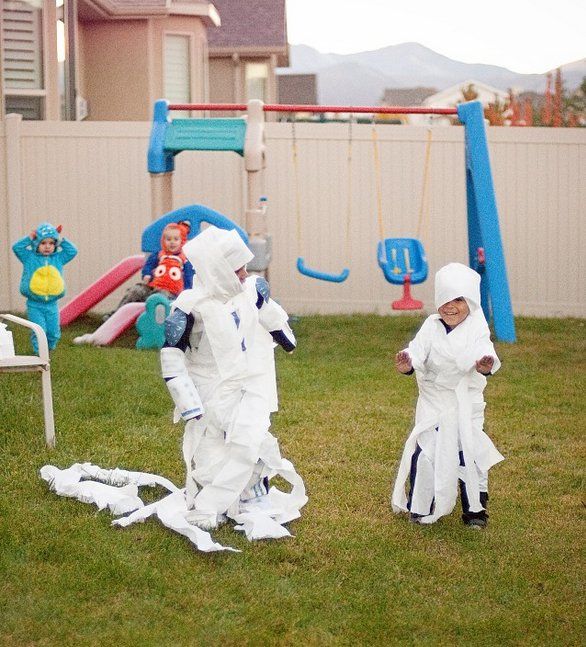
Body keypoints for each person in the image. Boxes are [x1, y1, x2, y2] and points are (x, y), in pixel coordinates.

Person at [160, 225, 305, 533]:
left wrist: (285, 338)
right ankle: (211, 502)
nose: (243, 274)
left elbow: (271, 316)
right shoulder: (190, 305)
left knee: (251, 440)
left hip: (246, 382)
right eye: (236, 269)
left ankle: (250, 495)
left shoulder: (251, 290)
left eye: (243, 269)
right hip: (208, 386)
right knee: (211, 445)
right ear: (217, 269)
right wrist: (187, 401)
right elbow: (171, 356)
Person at [391, 262, 504, 528]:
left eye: (458, 300)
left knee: (469, 454)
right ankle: (421, 505)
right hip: (433, 402)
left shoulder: (477, 327)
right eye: (444, 300)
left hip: (465, 404)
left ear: (471, 302)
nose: (450, 307)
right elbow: (417, 351)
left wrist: (484, 365)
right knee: (426, 451)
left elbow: (484, 352)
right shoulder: (431, 325)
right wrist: (409, 363)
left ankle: (475, 510)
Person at [12, 222, 78, 353]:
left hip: (52, 304)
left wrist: (61, 240)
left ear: (55, 245)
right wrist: (29, 238)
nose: (47, 246)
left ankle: (50, 349)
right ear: (36, 243)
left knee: (54, 332)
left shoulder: (58, 258)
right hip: (35, 304)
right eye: (43, 243)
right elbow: (17, 248)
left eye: (51, 243)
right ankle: (40, 354)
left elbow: (73, 251)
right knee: (39, 330)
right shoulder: (29, 257)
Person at [107, 221, 194, 315]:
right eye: (168, 239)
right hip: (153, 287)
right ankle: (116, 314)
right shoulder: (159, 255)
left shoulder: (184, 260)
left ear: (182, 241)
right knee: (136, 290)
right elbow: (148, 265)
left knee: (161, 297)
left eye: (176, 239)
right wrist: (147, 274)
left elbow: (189, 277)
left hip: (170, 292)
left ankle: (155, 324)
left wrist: (186, 294)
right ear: (163, 241)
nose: (172, 242)